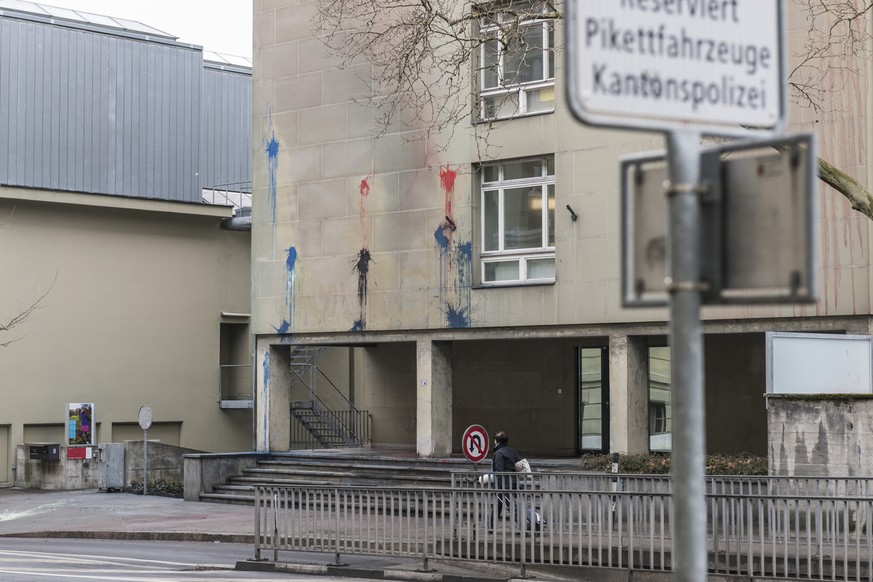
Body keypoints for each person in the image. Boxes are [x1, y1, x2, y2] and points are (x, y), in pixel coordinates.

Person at [490, 430, 520, 529]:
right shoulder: (512, 451)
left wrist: (496, 485)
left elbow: (499, 471)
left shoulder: (498, 453)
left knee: (510, 506)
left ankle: (524, 524)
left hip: (503, 484)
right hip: (513, 482)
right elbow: (520, 464)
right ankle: (491, 526)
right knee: (500, 505)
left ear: (497, 442)